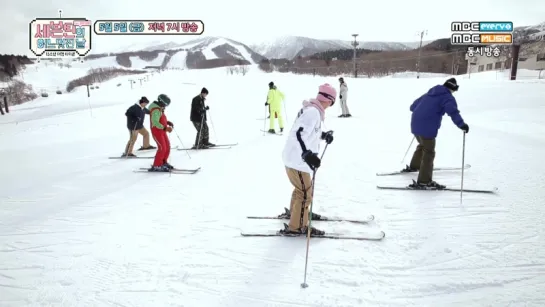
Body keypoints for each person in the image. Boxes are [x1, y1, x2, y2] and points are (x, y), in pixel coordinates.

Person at [280, 83, 336, 236]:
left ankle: (296, 214)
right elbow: (298, 134)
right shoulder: (313, 112)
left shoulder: (312, 110)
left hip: (295, 159)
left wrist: (323, 135)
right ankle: (297, 226)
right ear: (329, 100)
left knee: (302, 189)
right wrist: (307, 154)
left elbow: (307, 132)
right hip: (297, 161)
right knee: (305, 193)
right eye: (332, 101)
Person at [404, 77, 469, 189]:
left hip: (415, 124)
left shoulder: (429, 93)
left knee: (422, 145)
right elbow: (453, 112)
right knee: (429, 152)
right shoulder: (447, 97)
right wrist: (461, 125)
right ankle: (424, 181)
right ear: (452, 89)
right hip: (427, 127)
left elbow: (412, 106)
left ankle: (415, 166)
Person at [148, 94, 175, 172]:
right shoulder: (156, 110)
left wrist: (167, 122)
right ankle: (157, 165)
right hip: (157, 131)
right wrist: (165, 128)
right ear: (161, 102)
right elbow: (155, 122)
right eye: (165, 104)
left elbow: (161, 119)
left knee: (167, 146)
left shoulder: (160, 109)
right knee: (162, 148)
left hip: (162, 131)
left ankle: (163, 162)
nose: (165, 106)